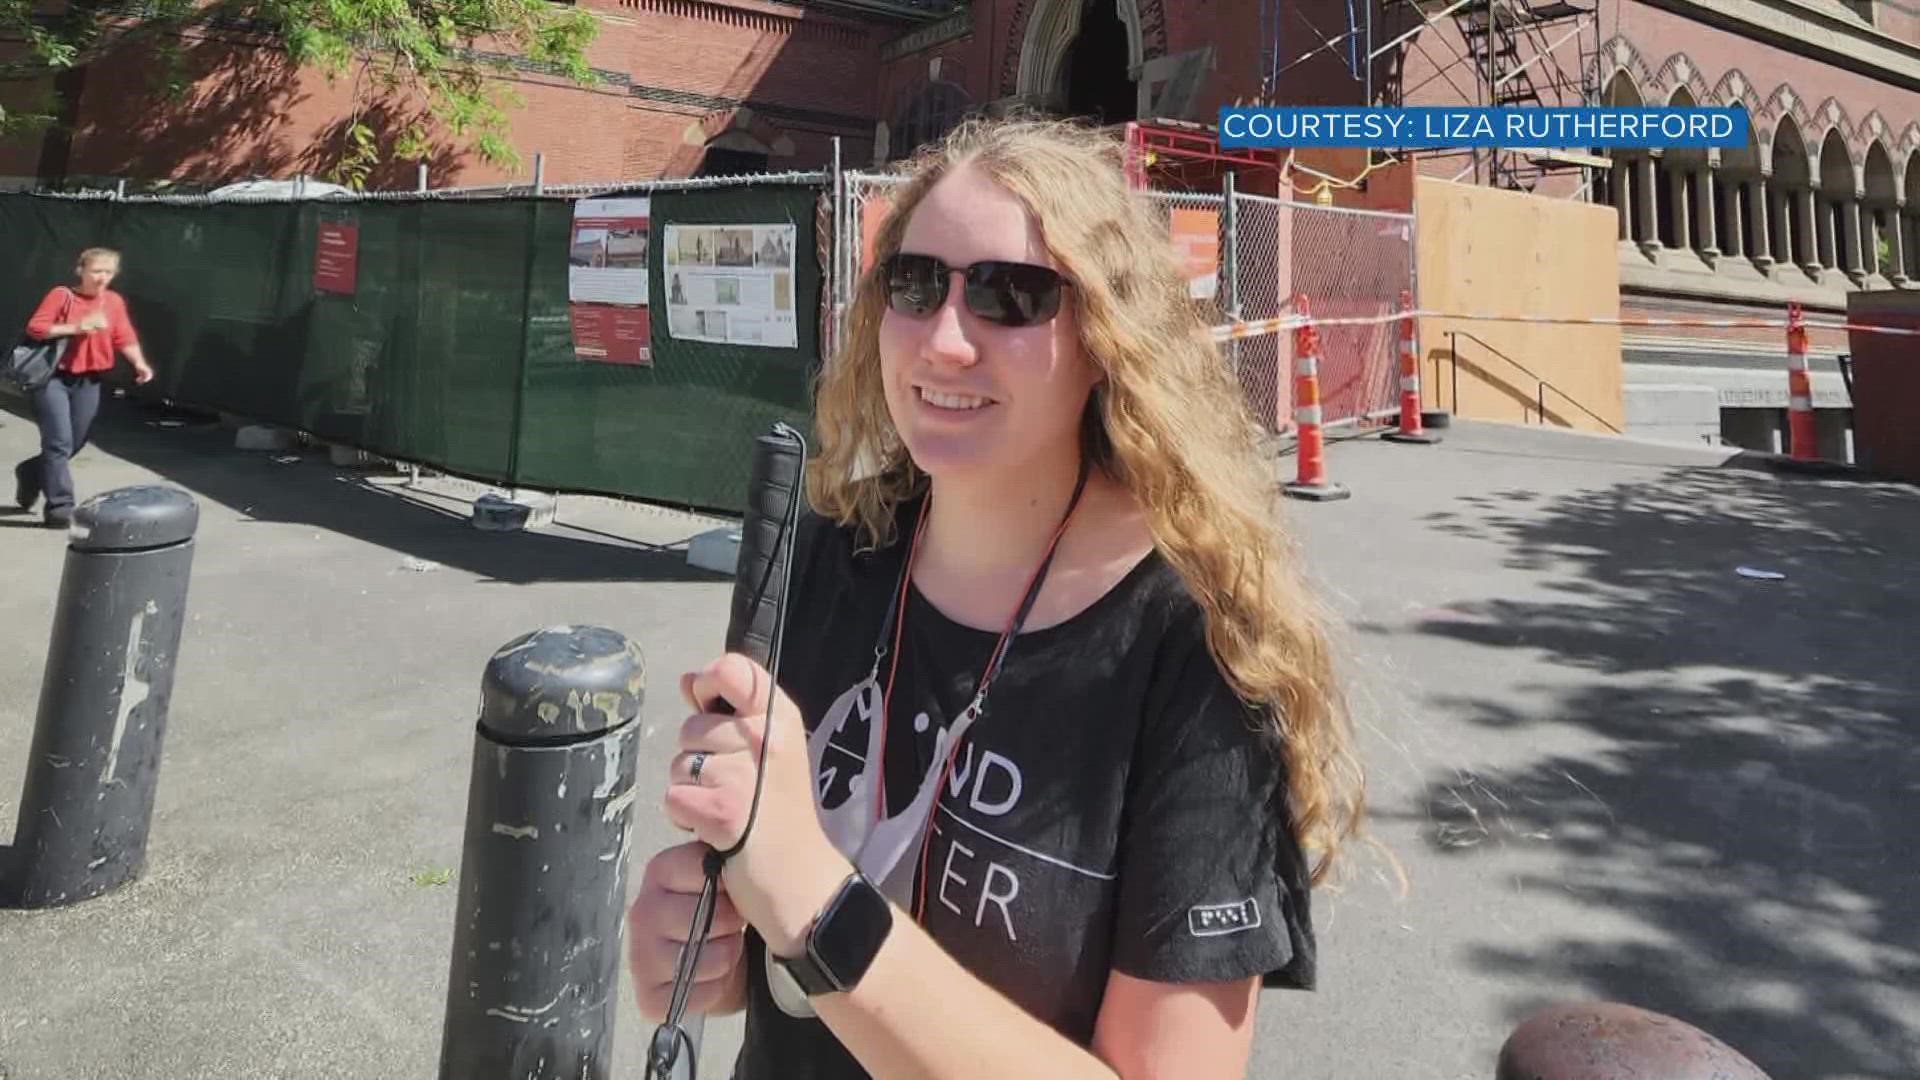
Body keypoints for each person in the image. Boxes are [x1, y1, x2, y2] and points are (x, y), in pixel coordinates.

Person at [627, 115, 1371, 1080]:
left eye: (1010, 297)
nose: (944, 340)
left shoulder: (1197, 648)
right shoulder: (826, 555)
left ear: (1109, 337)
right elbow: (767, 968)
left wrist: (817, 902)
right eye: (915, 284)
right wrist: (699, 946)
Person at [13, 247, 154, 527]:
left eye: (108, 272)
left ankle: (30, 472)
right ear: (81, 270)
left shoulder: (113, 301)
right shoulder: (62, 295)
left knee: (75, 442)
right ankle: (60, 507)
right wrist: (78, 326)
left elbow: (124, 336)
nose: (102, 278)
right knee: (58, 442)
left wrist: (139, 363)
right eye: (96, 271)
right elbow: (37, 328)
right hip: (52, 378)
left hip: (89, 380)